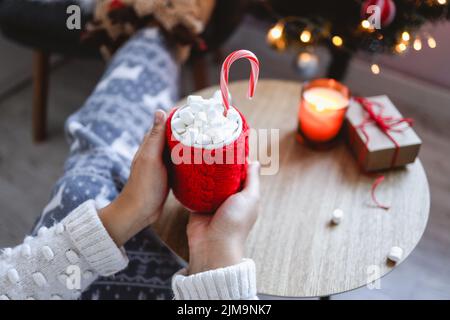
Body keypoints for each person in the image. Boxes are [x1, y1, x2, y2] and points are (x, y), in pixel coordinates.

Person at [0, 28, 260, 300]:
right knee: (97, 149)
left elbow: (12, 283)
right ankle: (160, 31)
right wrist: (215, 255)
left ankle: (155, 30)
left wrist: (133, 209)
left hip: (83, 249)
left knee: (85, 176)